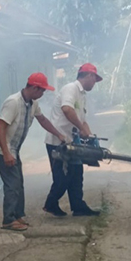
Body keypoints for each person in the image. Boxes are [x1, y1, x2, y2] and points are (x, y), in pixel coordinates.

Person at [0, 73, 69, 232]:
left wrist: (58, 134)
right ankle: (8, 220)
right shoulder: (13, 102)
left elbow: (43, 121)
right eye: (42, 91)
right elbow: (0, 127)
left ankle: (18, 215)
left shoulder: (33, 104)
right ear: (34, 88)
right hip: (2, 148)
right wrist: (6, 153)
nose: (43, 94)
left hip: (14, 148)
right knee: (12, 184)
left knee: (19, 183)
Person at [43, 63, 103, 217]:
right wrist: (81, 129)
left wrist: (89, 136)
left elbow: (82, 121)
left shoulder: (83, 96)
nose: (95, 83)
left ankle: (78, 206)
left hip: (72, 142)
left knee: (76, 174)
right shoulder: (71, 88)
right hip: (58, 141)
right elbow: (67, 109)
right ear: (89, 75)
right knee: (62, 177)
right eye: (95, 79)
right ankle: (50, 204)